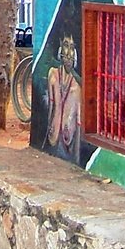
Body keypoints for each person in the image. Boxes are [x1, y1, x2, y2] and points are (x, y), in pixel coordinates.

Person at [46, 32, 81, 160]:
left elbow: (78, 127)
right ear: (60, 48)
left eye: (72, 48)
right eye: (66, 45)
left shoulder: (76, 89)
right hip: (52, 137)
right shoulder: (53, 75)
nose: (69, 53)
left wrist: (76, 159)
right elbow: (50, 107)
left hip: (67, 142)